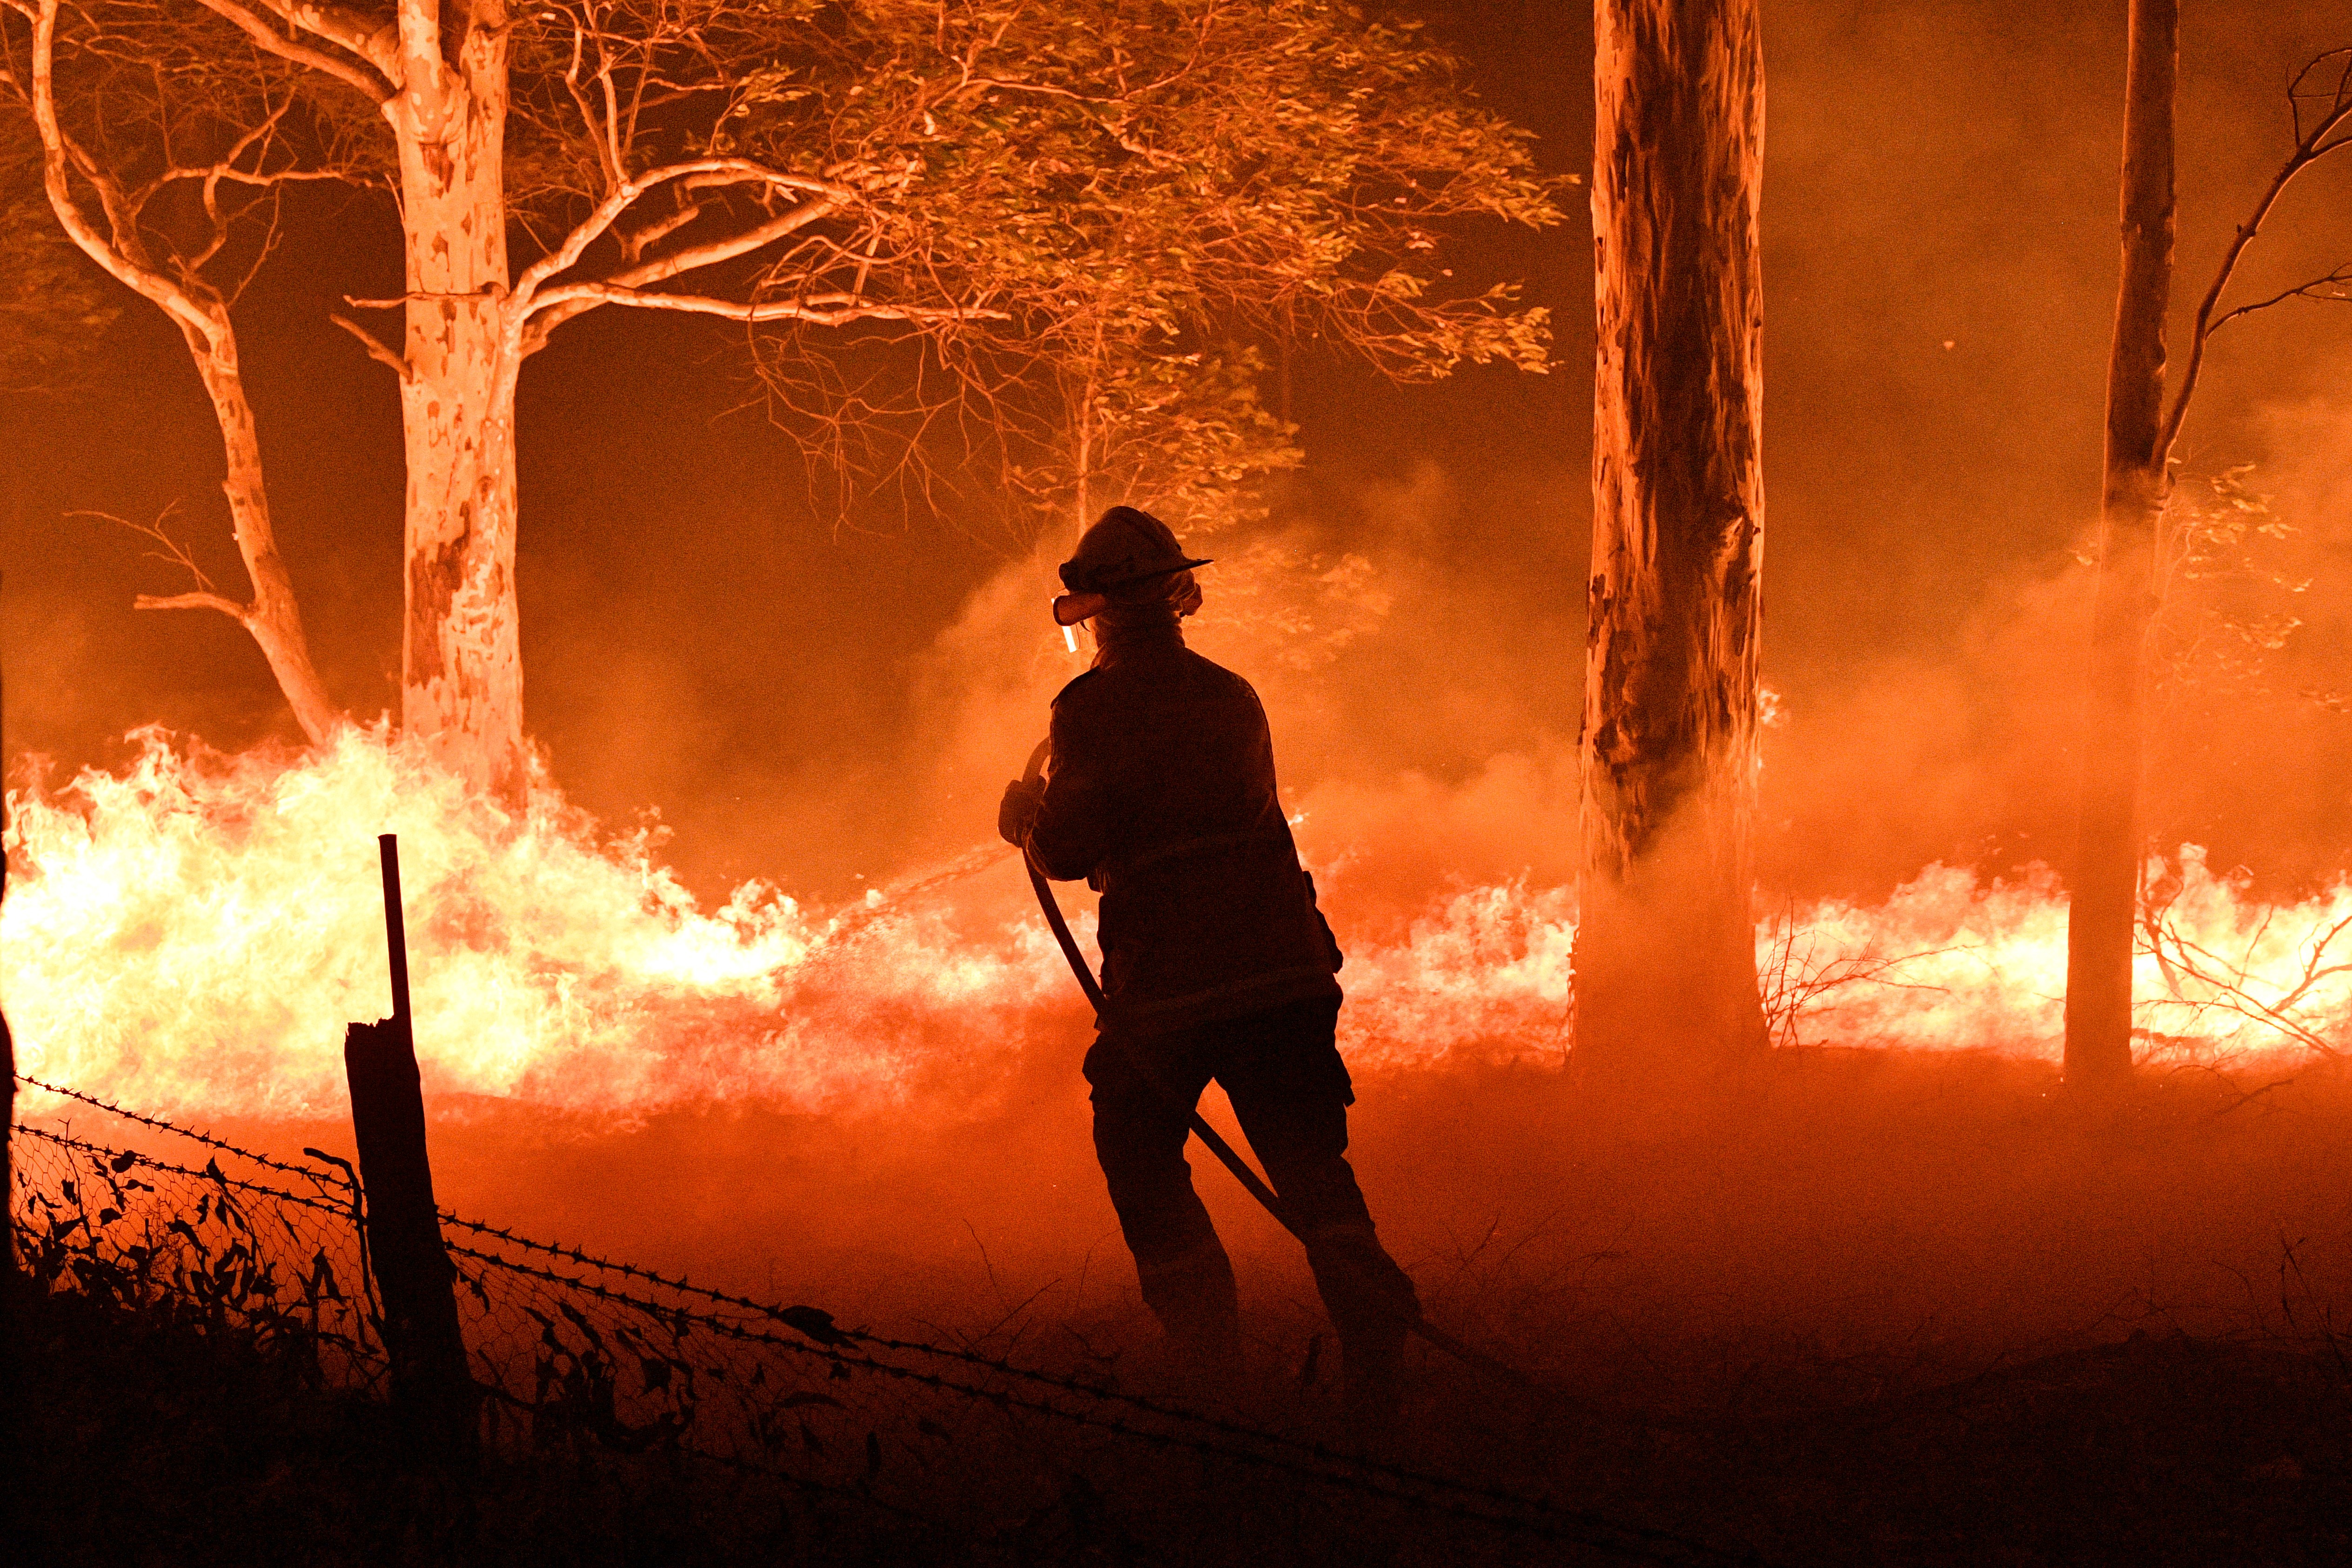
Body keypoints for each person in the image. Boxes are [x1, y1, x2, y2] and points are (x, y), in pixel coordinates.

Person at [997, 505, 1419, 1419]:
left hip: (1170, 985)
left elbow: (1066, 848)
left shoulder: (1092, 708)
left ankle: (1207, 1361)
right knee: (1308, 1161)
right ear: (1178, 597)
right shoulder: (1231, 694)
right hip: (1280, 972)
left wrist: (1022, 820)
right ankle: (1374, 1340)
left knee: (1137, 1146)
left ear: (1096, 609)